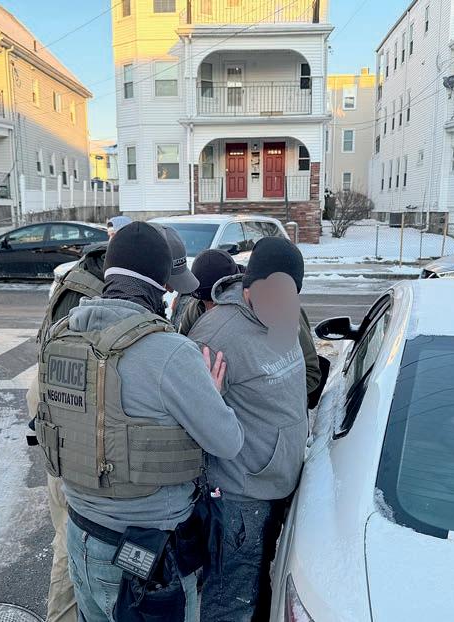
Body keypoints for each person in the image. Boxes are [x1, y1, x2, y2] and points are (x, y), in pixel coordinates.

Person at [35, 222, 244, 622]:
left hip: (80, 536)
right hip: (148, 556)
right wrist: (213, 394)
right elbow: (227, 442)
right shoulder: (170, 352)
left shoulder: (61, 337)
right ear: (163, 286)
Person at [189, 237, 309, 622]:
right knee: (232, 601)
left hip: (276, 485)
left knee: (258, 587)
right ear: (249, 286)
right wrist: (208, 400)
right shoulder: (216, 336)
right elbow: (189, 418)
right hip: (241, 498)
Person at [27, 217, 134, 622]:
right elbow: (84, 384)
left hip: (56, 407)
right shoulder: (91, 296)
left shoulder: (83, 279)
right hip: (65, 414)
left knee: (76, 532)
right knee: (73, 535)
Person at [179, 250, 322, 408]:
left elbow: (311, 374)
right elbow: (182, 359)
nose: (209, 309)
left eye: (215, 302)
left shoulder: (278, 308)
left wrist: (257, 396)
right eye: (204, 302)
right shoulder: (195, 309)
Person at [176, 249, 240, 336]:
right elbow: (183, 339)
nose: (211, 307)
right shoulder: (194, 311)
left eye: (217, 297)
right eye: (206, 299)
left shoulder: (251, 306)